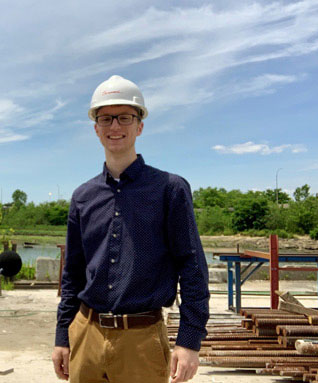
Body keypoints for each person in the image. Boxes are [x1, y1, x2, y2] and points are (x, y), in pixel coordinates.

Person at [52, 75, 209, 383]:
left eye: (125, 117)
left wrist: (189, 341)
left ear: (140, 126)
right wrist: (62, 335)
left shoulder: (170, 190)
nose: (115, 127)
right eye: (106, 118)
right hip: (86, 333)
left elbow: (192, 267)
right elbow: (72, 273)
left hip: (142, 339)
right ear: (96, 129)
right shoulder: (83, 197)